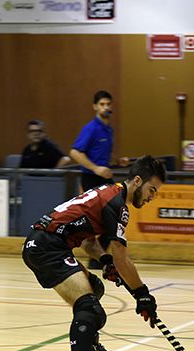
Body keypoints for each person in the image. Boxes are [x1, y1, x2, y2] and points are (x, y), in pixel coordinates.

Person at [21, 155, 167, 351]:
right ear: (137, 181)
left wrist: (104, 260)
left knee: (95, 288)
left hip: (48, 244)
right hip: (47, 246)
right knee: (90, 309)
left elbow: (89, 242)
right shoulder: (116, 204)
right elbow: (121, 255)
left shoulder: (108, 193)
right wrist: (143, 295)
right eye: (152, 190)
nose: (153, 197)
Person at [69, 90, 130, 267]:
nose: (106, 107)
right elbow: (75, 152)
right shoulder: (91, 128)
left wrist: (118, 161)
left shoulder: (108, 129)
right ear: (95, 107)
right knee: (98, 219)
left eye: (108, 104)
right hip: (91, 180)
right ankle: (93, 255)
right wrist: (96, 168)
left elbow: (104, 153)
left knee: (115, 215)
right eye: (102, 104)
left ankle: (98, 258)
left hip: (104, 180)